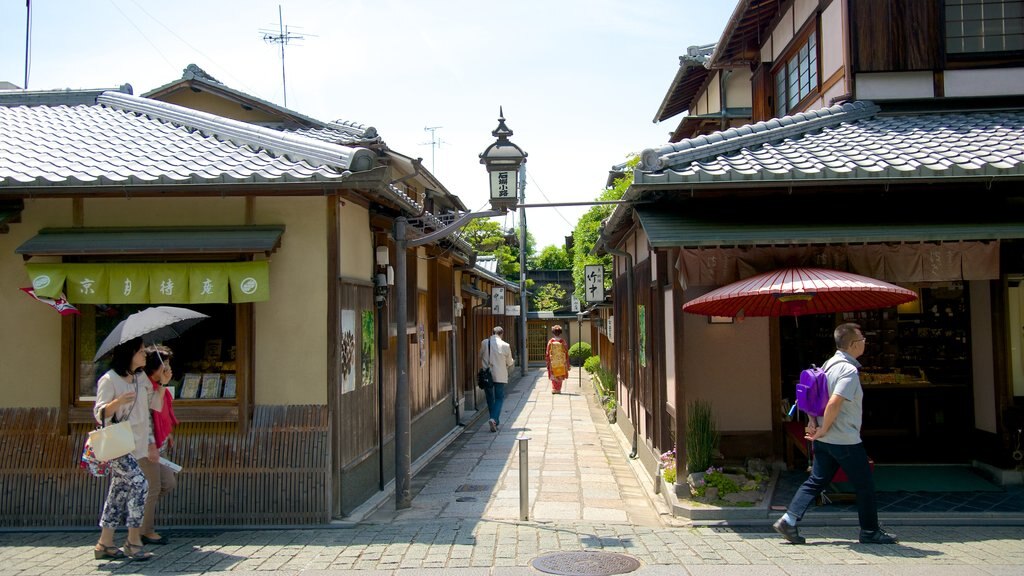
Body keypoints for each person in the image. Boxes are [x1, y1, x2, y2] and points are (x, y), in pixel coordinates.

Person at [773, 322, 898, 545]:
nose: (865, 343)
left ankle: (788, 520)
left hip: (825, 439)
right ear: (853, 344)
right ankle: (869, 531)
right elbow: (834, 402)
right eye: (862, 340)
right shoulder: (848, 370)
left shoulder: (827, 364)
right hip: (844, 439)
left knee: (816, 481)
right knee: (865, 485)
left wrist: (814, 424)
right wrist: (824, 428)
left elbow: (810, 397)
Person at [92, 337, 155, 561]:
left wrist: (163, 382)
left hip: (135, 443)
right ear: (128, 353)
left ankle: (104, 543)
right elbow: (99, 413)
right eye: (140, 351)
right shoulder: (109, 380)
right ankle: (133, 540)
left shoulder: (140, 378)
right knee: (140, 484)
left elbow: (150, 408)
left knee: (118, 492)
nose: (145, 354)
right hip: (117, 444)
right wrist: (117, 402)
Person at [138, 344, 179, 546]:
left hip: (158, 443)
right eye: (165, 366)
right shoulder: (144, 386)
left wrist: (168, 432)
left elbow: (161, 414)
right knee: (153, 487)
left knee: (167, 482)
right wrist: (162, 385)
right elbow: (149, 412)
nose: (168, 370)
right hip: (146, 444)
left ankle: (138, 520)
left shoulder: (155, 386)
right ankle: (144, 530)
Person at [479, 326, 515, 432]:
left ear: (492, 333)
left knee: (490, 398)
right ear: (501, 334)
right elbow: (509, 362)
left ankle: (493, 419)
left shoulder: (485, 342)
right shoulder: (505, 345)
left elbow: (480, 355)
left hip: (487, 375)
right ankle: (494, 419)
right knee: (499, 398)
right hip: (500, 375)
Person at [545, 325, 569, 394]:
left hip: (553, 361)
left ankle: (554, 389)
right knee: (560, 374)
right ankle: (558, 389)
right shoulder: (562, 341)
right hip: (561, 361)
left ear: (553, 333)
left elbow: (547, 352)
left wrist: (548, 359)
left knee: (553, 374)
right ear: (560, 333)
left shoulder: (550, 341)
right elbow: (566, 351)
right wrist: (566, 361)